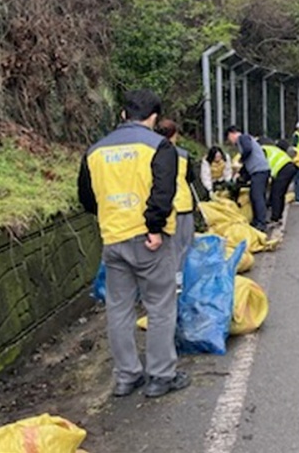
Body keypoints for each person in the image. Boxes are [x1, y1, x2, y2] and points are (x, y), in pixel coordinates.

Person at [77, 89, 189, 398]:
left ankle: (127, 376)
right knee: (160, 306)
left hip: (113, 239)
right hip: (149, 240)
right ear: (153, 117)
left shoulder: (95, 151)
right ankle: (161, 376)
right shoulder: (159, 146)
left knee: (118, 309)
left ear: (124, 115)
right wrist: (154, 227)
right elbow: (164, 192)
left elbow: (86, 198)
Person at [155, 120, 195, 286]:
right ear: (174, 135)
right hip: (182, 206)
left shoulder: (151, 152)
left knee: (165, 249)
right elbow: (191, 178)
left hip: (160, 207)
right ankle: (179, 282)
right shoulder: (183, 154)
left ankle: (165, 281)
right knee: (184, 247)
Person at [226, 126, 271, 232]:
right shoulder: (247, 140)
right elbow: (247, 164)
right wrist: (241, 175)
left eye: (229, 138)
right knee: (255, 195)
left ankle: (261, 223)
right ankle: (257, 220)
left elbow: (247, 150)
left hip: (259, 171)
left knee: (257, 196)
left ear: (232, 134)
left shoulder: (243, 138)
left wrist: (240, 161)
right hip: (261, 170)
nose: (231, 142)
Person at [262, 140, 298, 226]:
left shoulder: (262, 150)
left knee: (276, 194)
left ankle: (275, 218)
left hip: (283, 170)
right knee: (280, 194)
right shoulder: (270, 149)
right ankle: (278, 217)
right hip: (289, 168)